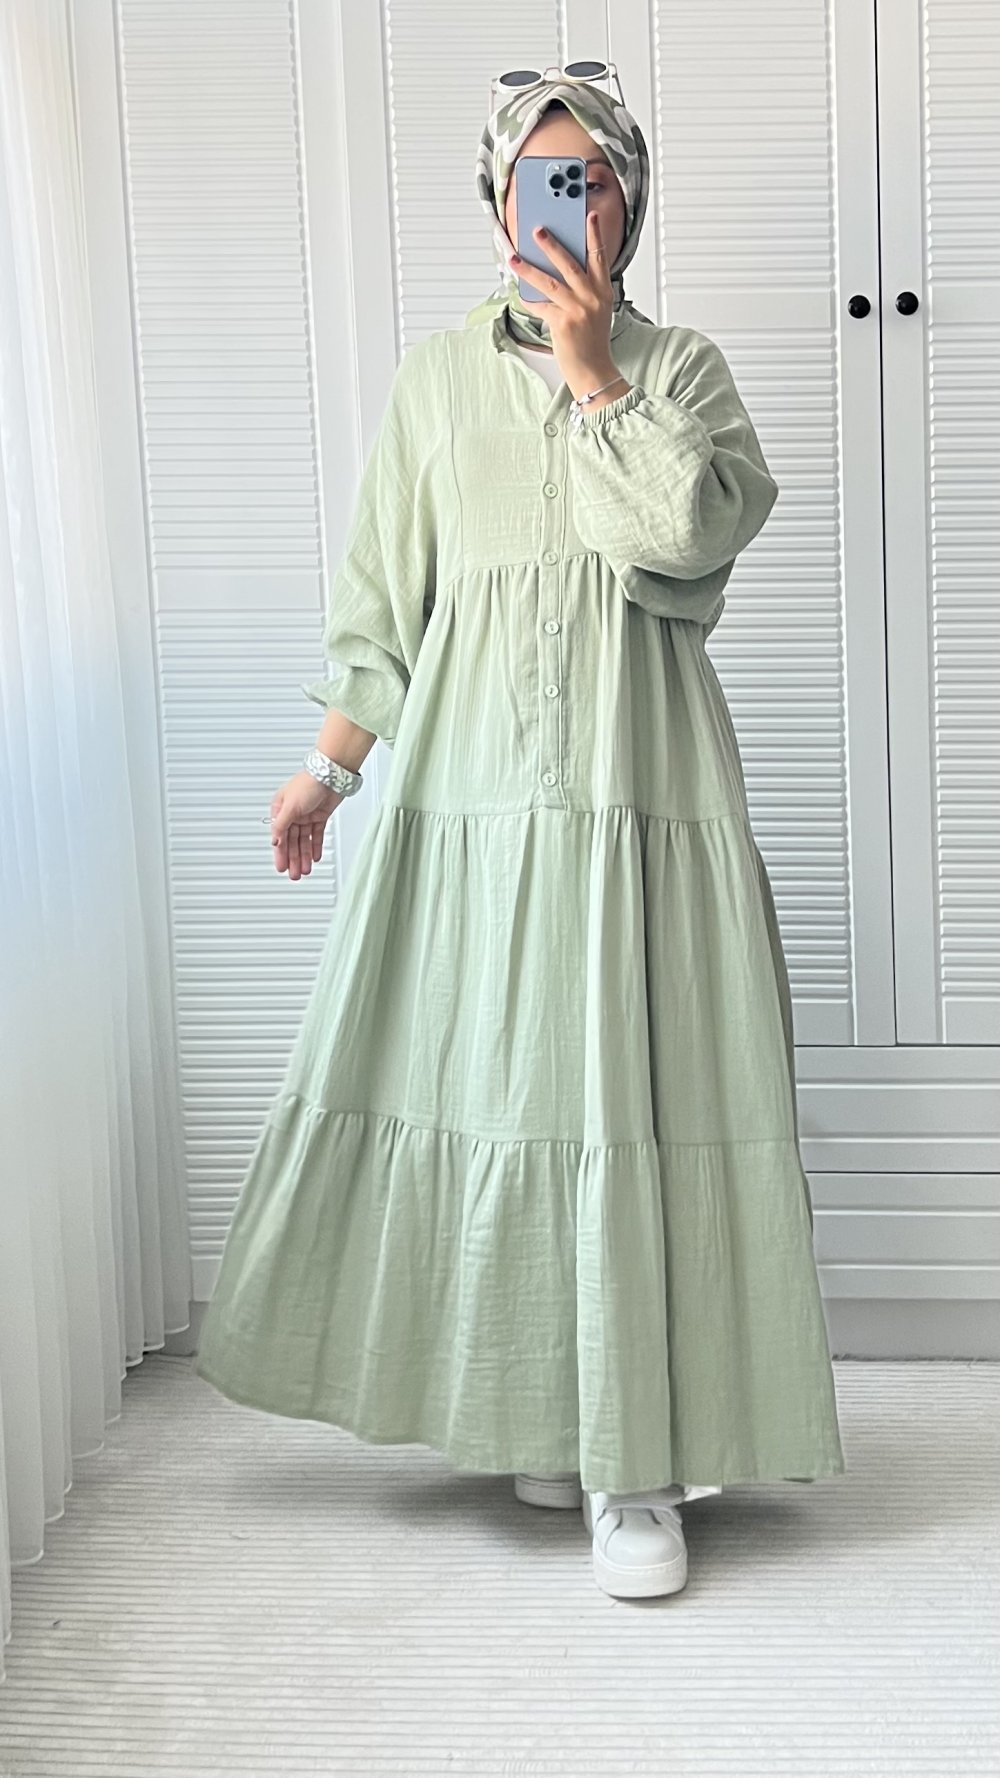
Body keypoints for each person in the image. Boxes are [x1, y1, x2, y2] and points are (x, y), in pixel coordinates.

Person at [195, 70, 846, 1603]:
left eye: (590, 181)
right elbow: (385, 604)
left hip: (641, 802)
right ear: (497, 204)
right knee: (503, 1098)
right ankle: (548, 1409)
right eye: (537, 182)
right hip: (476, 805)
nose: (564, 205)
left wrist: (594, 375)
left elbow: (688, 538)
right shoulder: (433, 384)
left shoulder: (680, 371)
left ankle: (637, 1465)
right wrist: (324, 772)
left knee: (634, 1104)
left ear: (628, 202)